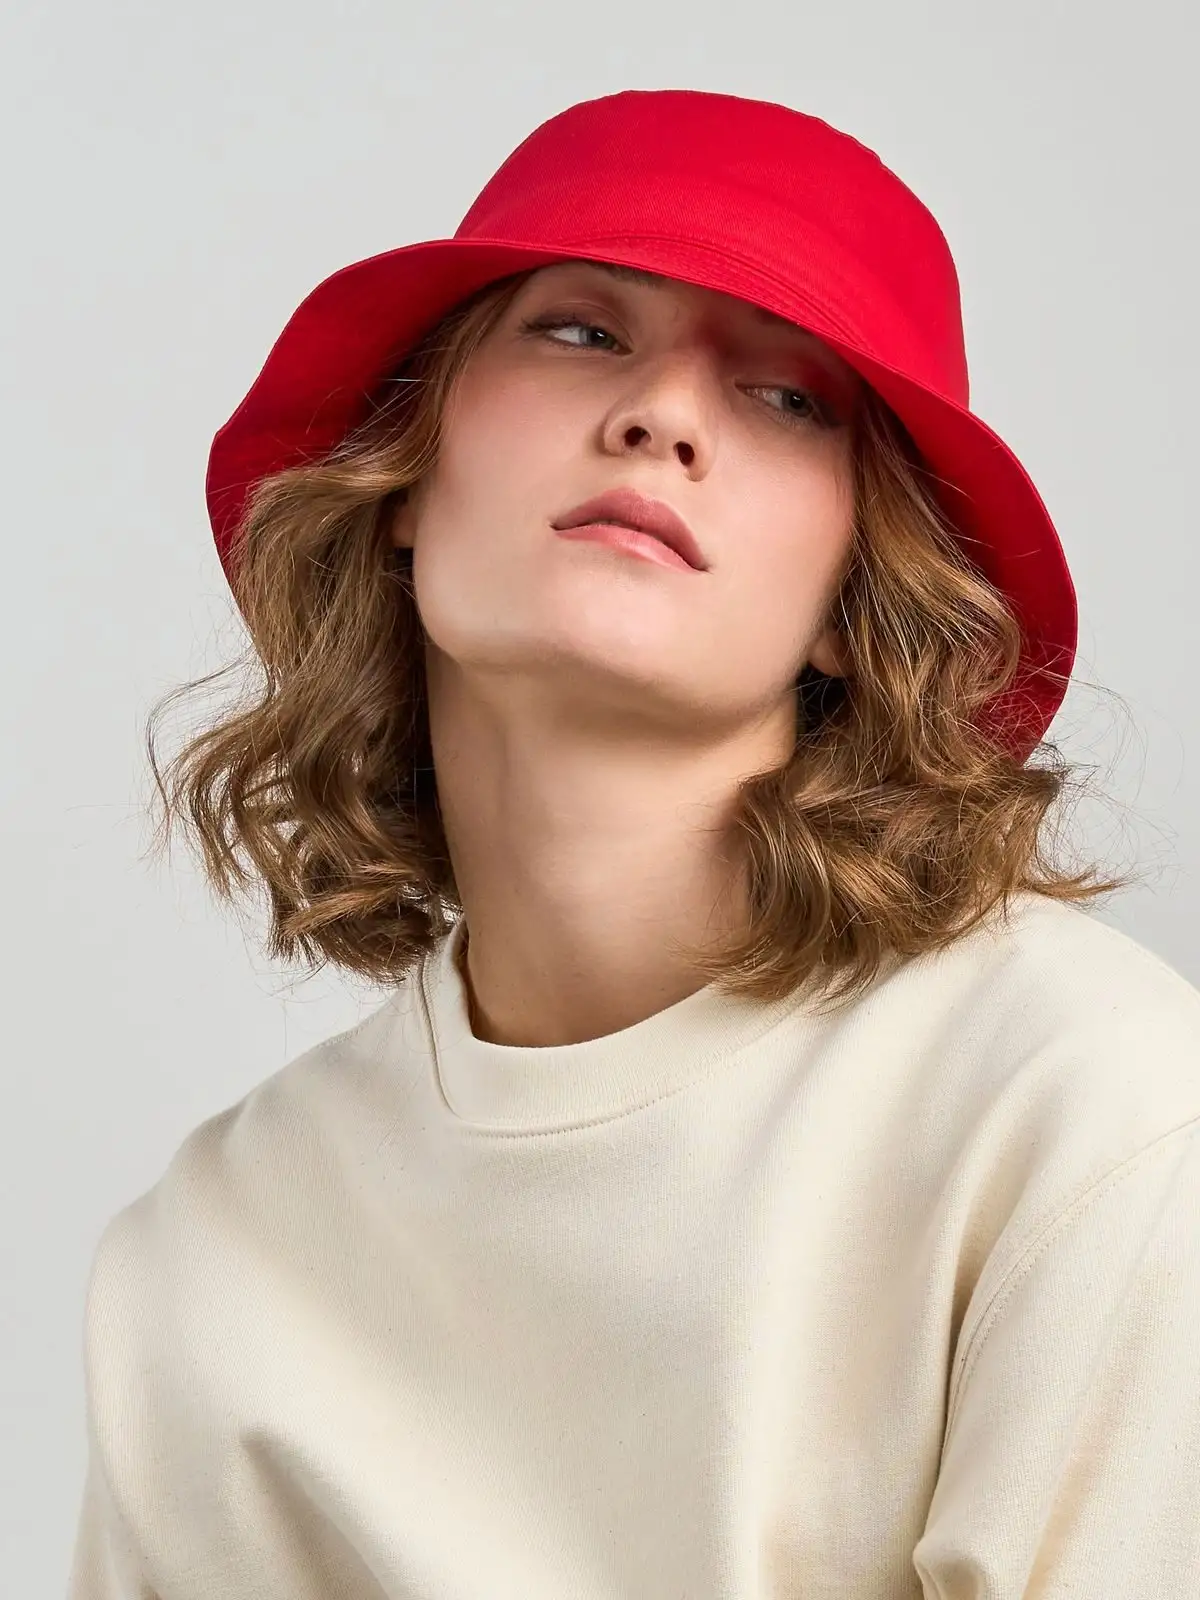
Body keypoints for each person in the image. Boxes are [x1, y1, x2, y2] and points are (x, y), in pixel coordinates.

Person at [68, 89, 1200, 1599]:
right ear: (403, 468)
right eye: (581, 330)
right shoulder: (213, 1253)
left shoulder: (1084, 1108)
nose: (663, 414)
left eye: (787, 397)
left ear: (857, 601)